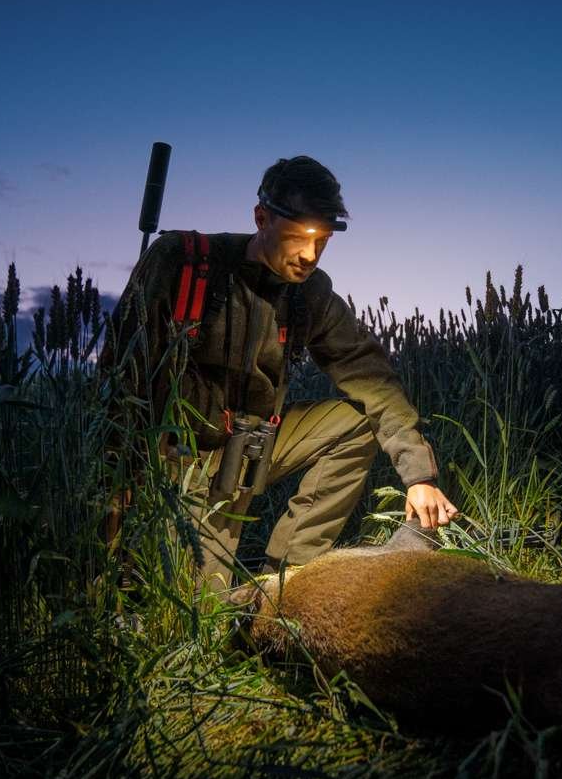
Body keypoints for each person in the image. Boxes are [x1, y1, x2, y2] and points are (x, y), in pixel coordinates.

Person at [101, 155, 458, 591]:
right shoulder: (184, 262)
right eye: (296, 237)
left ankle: (292, 580)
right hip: (180, 464)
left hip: (252, 452)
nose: (309, 255)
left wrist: (419, 476)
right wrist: (119, 480)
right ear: (261, 218)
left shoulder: (310, 293)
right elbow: (120, 377)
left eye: (322, 241)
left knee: (356, 424)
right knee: (202, 609)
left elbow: (371, 374)